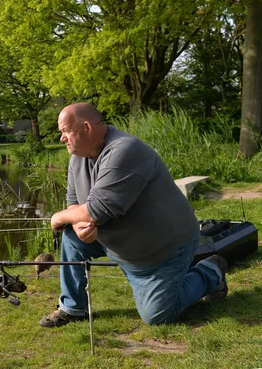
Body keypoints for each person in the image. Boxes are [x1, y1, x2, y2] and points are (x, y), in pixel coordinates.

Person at [39, 103, 228, 327]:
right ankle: (73, 306)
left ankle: (210, 271)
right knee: (71, 236)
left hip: (162, 250)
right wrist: (80, 226)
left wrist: (57, 218)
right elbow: (75, 205)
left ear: (87, 127)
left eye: (65, 131)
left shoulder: (125, 149)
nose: (62, 138)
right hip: (121, 243)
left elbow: (98, 209)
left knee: (157, 316)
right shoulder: (77, 158)